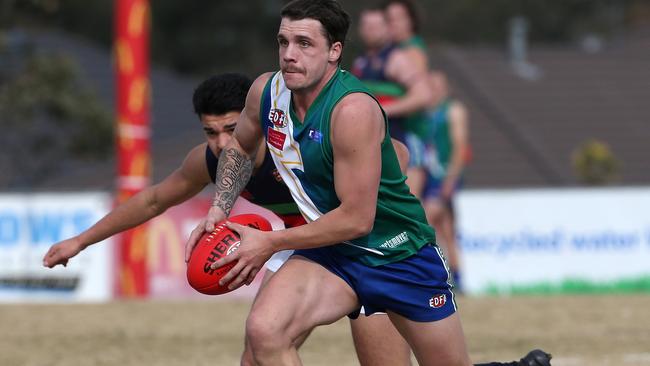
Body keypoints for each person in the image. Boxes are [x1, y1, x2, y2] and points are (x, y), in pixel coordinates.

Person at [188, 1, 551, 365]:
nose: (289, 55)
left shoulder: (353, 110)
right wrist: (219, 207)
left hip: (396, 254)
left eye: (304, 43)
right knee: (265, 331)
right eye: (283, 42)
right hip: (331, 251)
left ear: (335, 52)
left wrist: (270, 243)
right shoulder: (266, 92)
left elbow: (357, 219)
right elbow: (239, 146)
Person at [41, 72, 413, 366]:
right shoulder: (211, 161)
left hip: (370, 248)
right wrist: (81, 240)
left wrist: (368, 201)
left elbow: (397, 153)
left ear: (257, 120)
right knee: (258, 352)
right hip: (304, 246)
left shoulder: (301, 144)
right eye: (210, 132)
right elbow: (154, 200)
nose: (221, 143)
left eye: (231, 130)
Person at [351, 6, 432, 200]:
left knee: (409, 208)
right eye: (366, 25)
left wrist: (381, 110)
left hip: (404, 139)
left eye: (376, 25)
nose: (370, 30)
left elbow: (424, 94)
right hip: (373, 145)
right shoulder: (361, 62)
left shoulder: (397, 58)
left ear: (387, 28)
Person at [422, 71, 470, 292]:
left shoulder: (453, 110)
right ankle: (458, 277)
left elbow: (460, 146)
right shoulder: (424, 112)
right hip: (428, 177)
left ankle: (433, 276)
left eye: (437, 85)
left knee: (427, 220)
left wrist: (451, 178)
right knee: (446, 228)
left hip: (443, 177)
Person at [380, 0, 431, 198]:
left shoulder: (411, 50)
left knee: (410, 201)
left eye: (397, 19)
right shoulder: (390, 51)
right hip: (403, 135)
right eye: (388, 19)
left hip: (412, 133)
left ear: (411, 21)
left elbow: (422, 96)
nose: (392, 24)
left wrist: (382, 110)